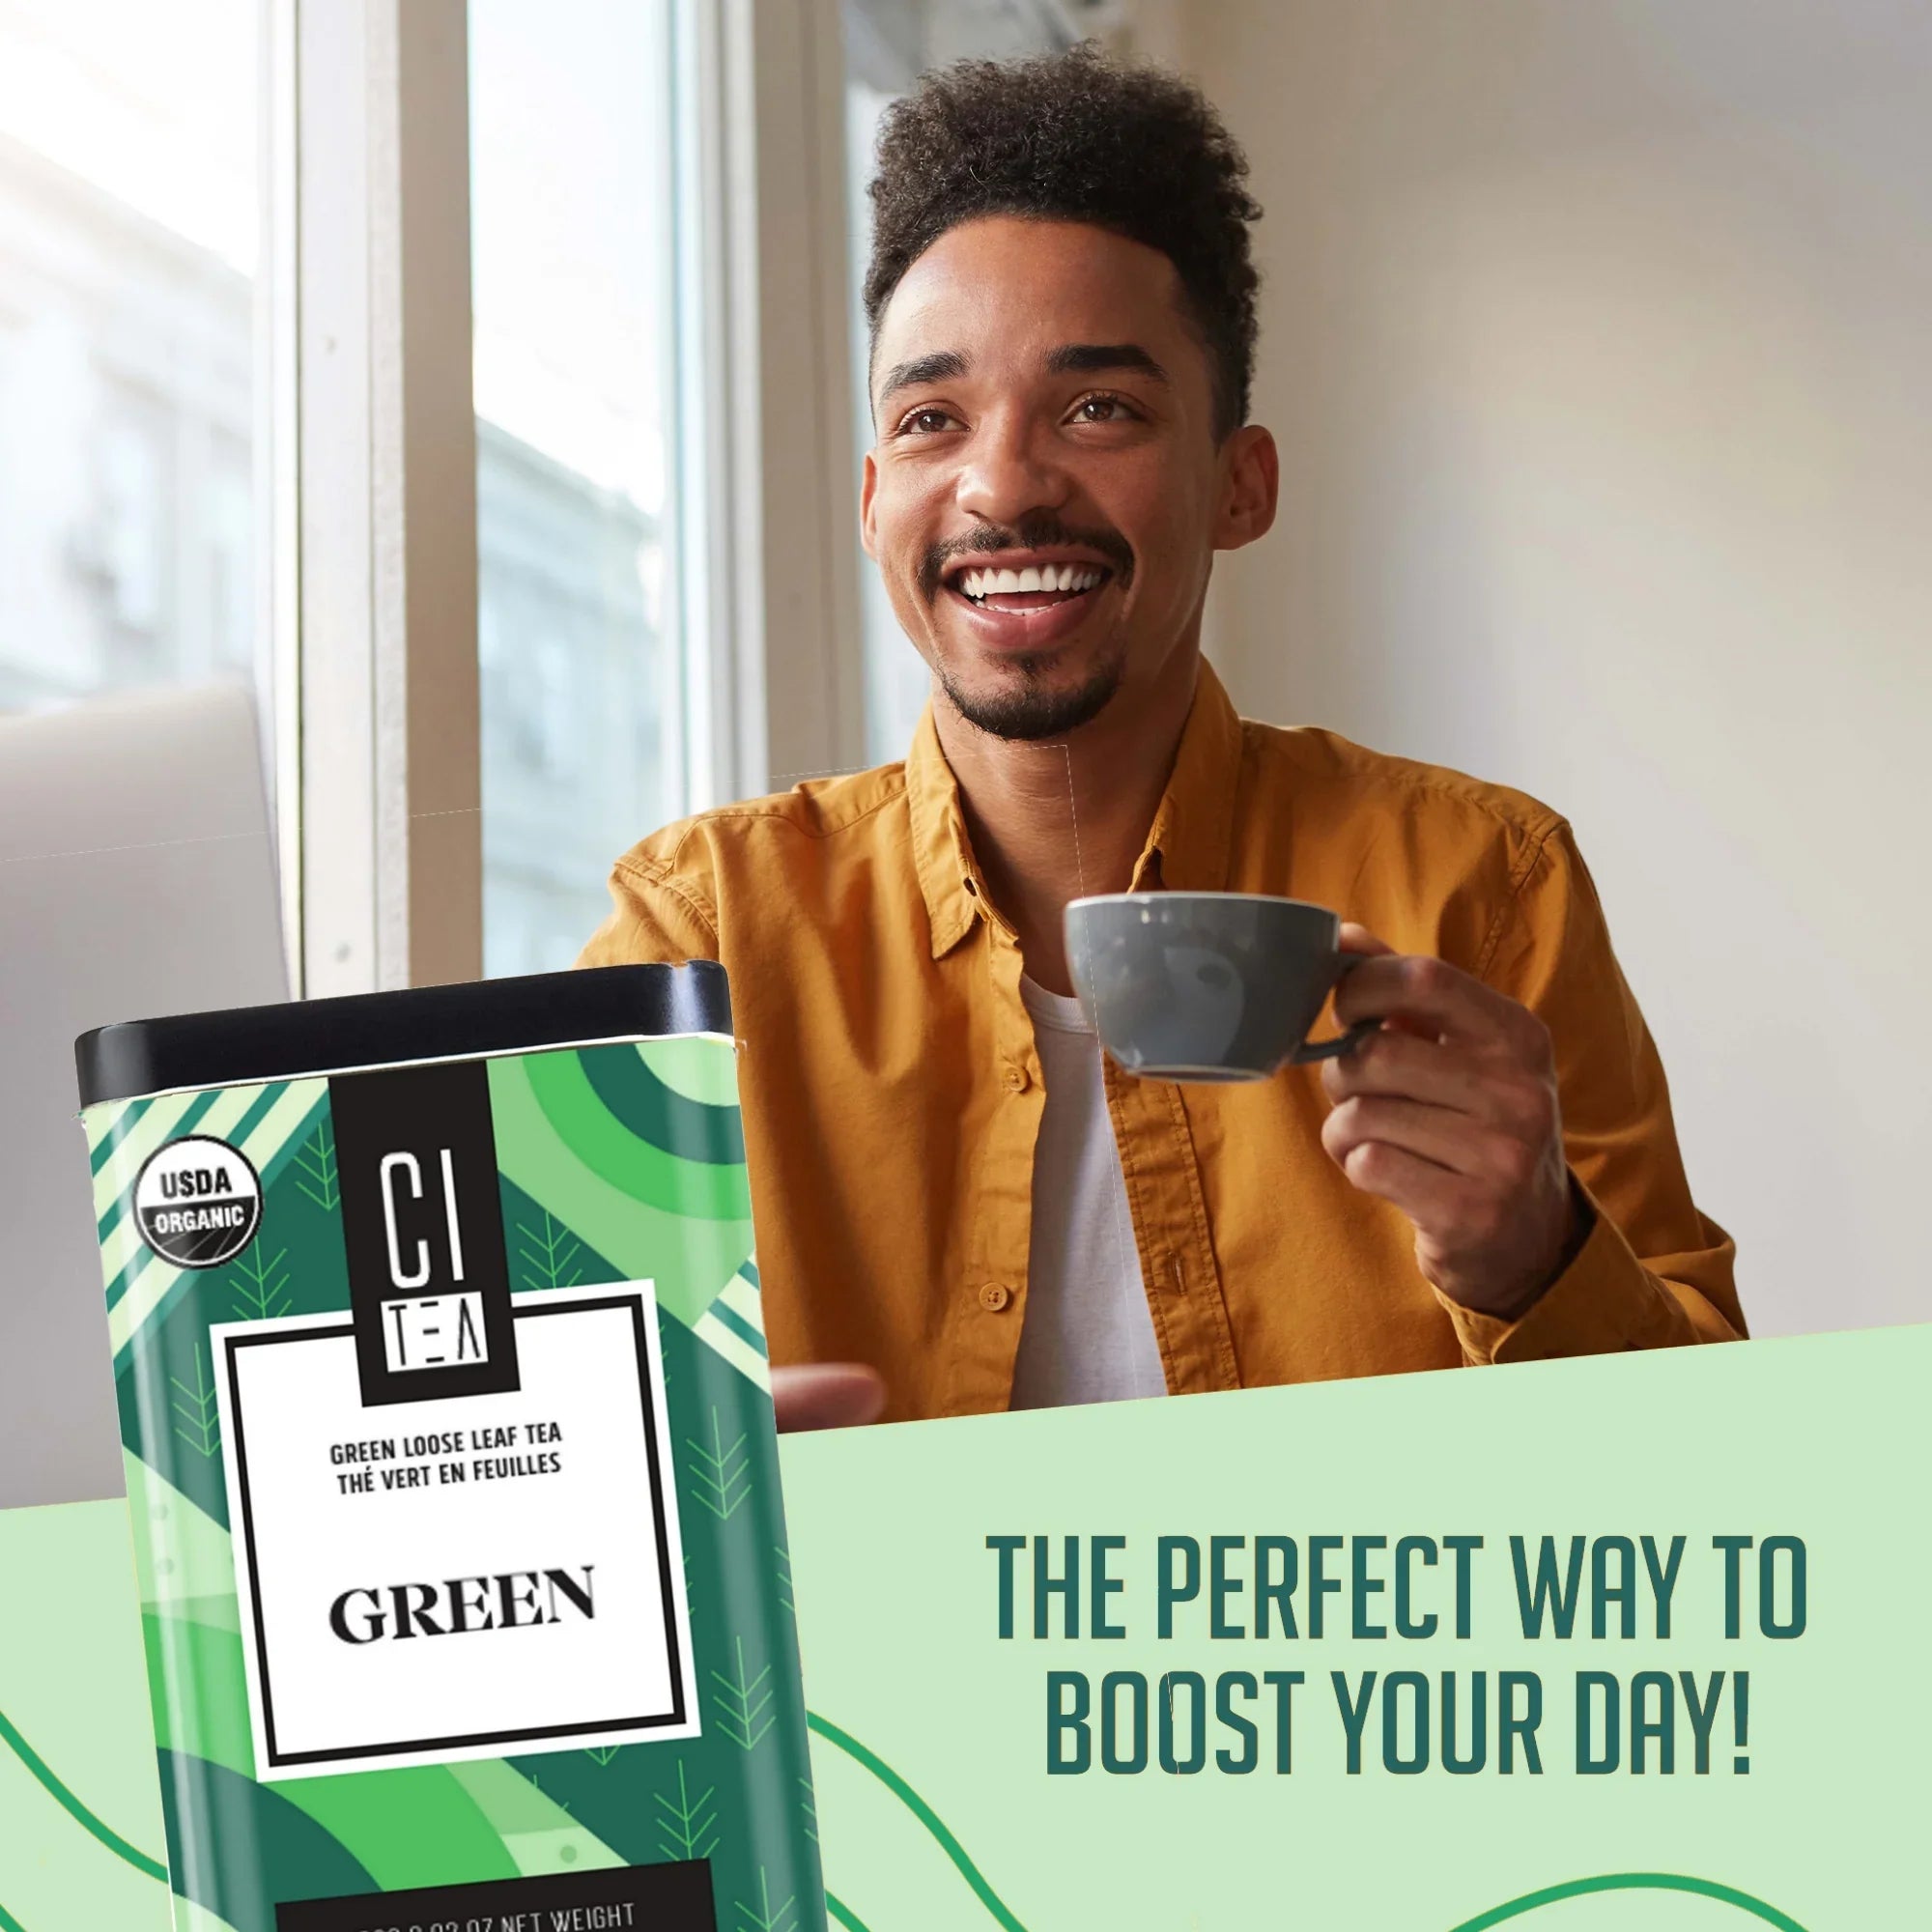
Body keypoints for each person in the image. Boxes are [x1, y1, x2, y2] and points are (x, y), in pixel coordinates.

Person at [580, 44, 1745, 1430]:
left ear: (1239, 483)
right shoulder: (699, 938)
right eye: (933, 417)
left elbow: (1700, 1494)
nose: (1002, 485)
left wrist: (1530, 1258)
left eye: (1099, 408)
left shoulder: (1481, 884)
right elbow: (555, 1491)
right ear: (874, 496)